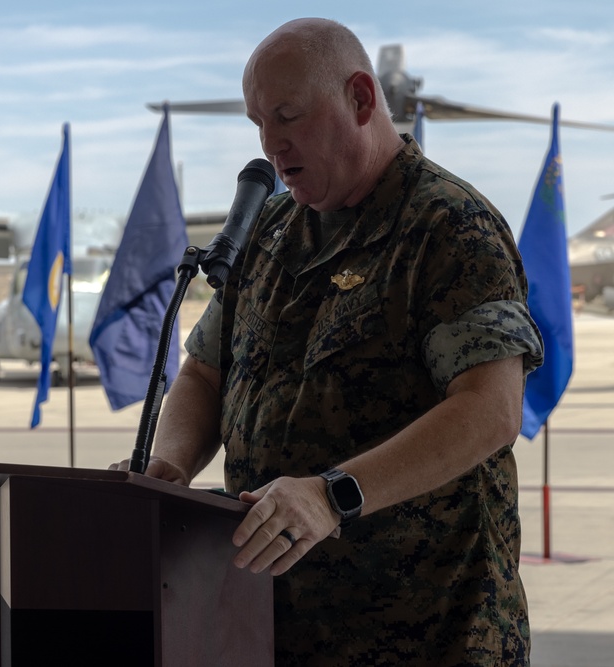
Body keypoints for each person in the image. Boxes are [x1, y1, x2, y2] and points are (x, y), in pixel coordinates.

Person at [117, 18, 544, 666]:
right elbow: (205, 372)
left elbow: (489, 409)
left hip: (430, 633)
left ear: (361, 100)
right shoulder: (269, 229)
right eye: (258, 122)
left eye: (288, 115)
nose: (272, 143)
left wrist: (332, 493)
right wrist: (171, 467)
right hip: (277, 628)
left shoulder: (447, 227)